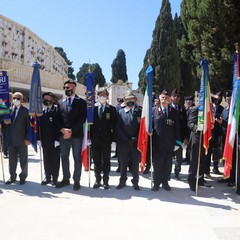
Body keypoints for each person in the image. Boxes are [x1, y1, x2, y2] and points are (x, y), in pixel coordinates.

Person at [55, 79, 87, 191]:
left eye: (68, 87)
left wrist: (71, 130)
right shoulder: (60, 102)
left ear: (74, 87)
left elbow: (82, 119)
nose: (66, 89)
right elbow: (57, 118)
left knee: (77, 158)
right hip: (63, 135)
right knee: (64, 157)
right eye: (65, 87)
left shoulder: (81, 102)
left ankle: (76, 180)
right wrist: (63, 130)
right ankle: (65, 178)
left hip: (76, 135)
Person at [151, 89, 180, 191]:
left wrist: (178, 142)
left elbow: (177, 128)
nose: (165, 99)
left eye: (167, 98)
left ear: (169, 100)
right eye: (163, 97)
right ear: (159, 98)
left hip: (169, 143)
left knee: (168, 165)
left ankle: (165, 182)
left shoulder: (174, 112)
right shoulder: (153, 110)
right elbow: (150, 127)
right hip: (157, 143)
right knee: (158, 164)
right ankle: (156, 183)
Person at [90, 88, 117, 189]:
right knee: (96, 161)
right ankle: (97, 180)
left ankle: (106, 181)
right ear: (97, 97)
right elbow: (88, 125)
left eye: (104, 95)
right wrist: (88, 137)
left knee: (106, 161)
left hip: (107, 140)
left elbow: (114, 126)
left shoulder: (112, 109)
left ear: (107, 97)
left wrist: (114, 140)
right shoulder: (92, 108)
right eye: (100, 95)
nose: (102, 97)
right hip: (95, 139)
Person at [116, 90, 142, 190]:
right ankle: (122, 181)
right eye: (128, 99)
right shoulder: (120, 112)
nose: (130, 101)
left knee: (135, 163)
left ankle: (135, 182)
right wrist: (126, 139)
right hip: (124, 142)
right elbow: (118, 127)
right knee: (123, 163)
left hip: (136, 142)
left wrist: (135, 138)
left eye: (132, 99)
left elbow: (142, 128)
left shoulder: (140, 111)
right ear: (125, 101)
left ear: (135, 100)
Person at [5, 92, 30, 185]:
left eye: (18, 98)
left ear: (22, 100)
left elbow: (29, 126)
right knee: (12, 161)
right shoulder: (9, 110)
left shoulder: (26, 111)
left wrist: (27, 138)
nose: (16, 100)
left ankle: (23, 177)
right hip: (11, 140)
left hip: (22, 140)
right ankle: (12, 177)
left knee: (23, 160)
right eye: (14, 98)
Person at [187, 106, 212, 191]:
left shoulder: (208, 109)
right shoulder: (196, 109)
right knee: (194, 160)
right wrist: (197, 127)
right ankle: (191, 180)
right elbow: (190, 123)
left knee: (203, 160)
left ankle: (200, 179)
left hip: (206, 138)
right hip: (197, 138)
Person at [39, 92, 60, 185]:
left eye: (48, 98)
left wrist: (58, 139)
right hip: (45, 140)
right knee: (46, 159)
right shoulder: (42, 112)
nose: (46, 100)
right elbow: (39, 127)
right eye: (45, 98)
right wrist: (38, 139)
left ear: (52, 99)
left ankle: (55, 178)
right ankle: (47, 177)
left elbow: (60, 125)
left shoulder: (57, 110)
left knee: (55, 160)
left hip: (54, 140)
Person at [170, 88, 188, 179]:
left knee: (179, 158)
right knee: (168, 157)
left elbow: (185, 125)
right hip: (169, 138)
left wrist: (185, 138)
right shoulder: (167, 108)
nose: (176, 97)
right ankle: (167, 174)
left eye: (178, 96)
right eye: (174, 96)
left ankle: (177, 172)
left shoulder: (183, 110)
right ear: (171, 97)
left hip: (179, 139)